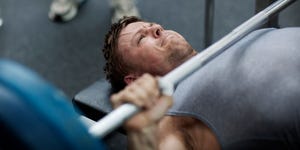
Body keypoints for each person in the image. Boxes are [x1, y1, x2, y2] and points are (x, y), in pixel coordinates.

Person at [102, 16, 300, 149]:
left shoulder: (226, 46)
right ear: (135, 80)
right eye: (141, 38)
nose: (156, 28)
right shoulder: (172, 118)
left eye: (152, 25)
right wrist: (142, 135)